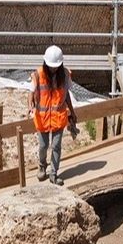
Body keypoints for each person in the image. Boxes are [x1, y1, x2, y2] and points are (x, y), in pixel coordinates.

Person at [31, 44, 79, 184]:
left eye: (55, 66)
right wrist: (31, 105)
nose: (53, 68)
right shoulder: (38, 74)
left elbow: (67, 95)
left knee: (56, 145)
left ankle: (53, 173)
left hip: (58, 117)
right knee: (43, 146)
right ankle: (42, 166)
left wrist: (72, 112)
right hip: (42, 118)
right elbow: (31, 92)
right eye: (51, 66)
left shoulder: (64, 74)